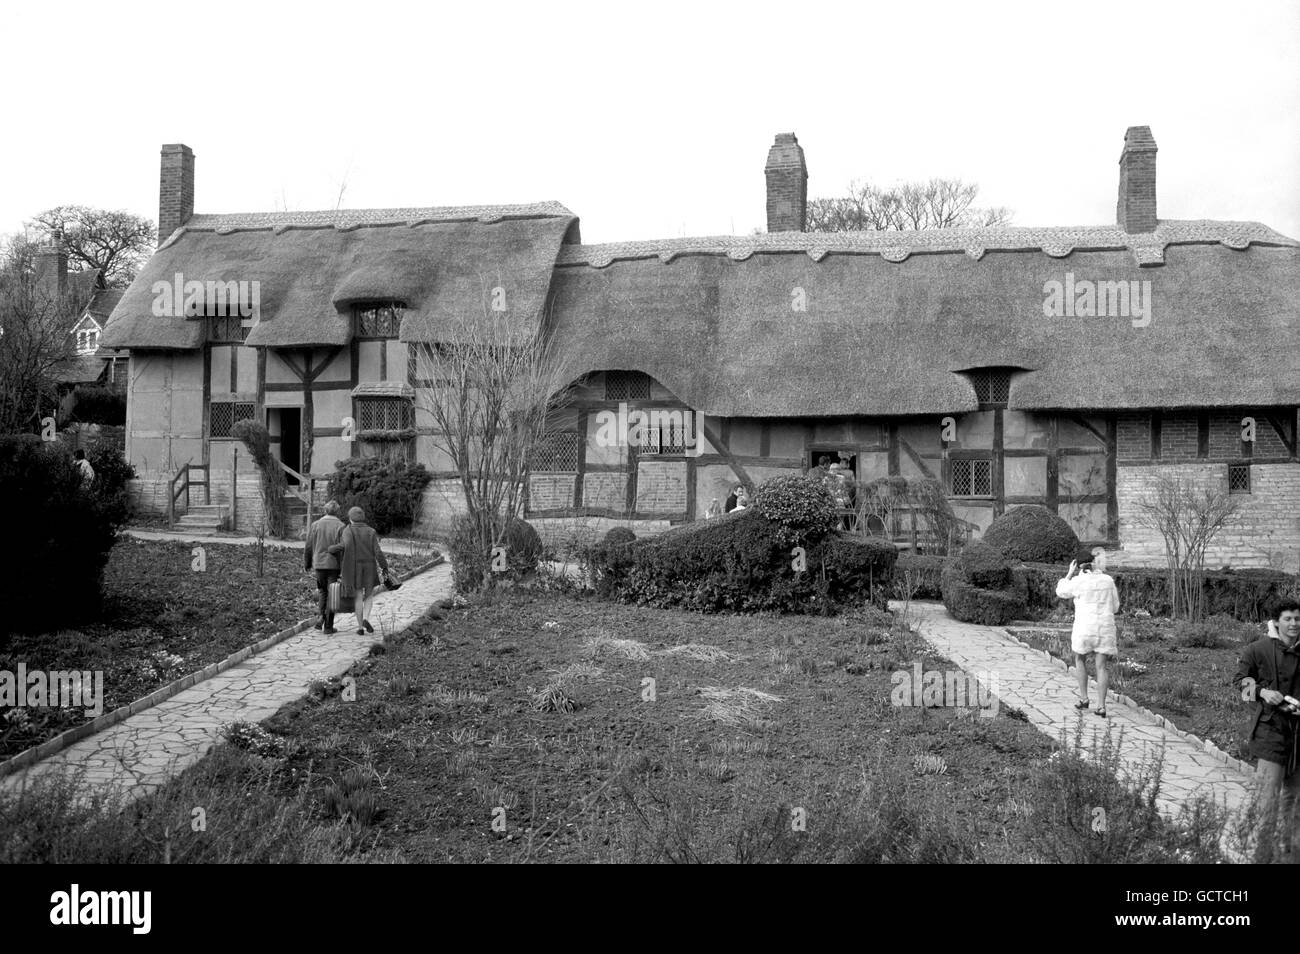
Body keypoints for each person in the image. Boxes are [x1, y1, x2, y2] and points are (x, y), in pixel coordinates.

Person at [1233, 599, 1300, 861]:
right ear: (1276, 622)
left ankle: (1289, 858)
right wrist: (1262, 692)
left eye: (1297, 619)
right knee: (1267, 803)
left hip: (1299, 738)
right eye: (1288, 619)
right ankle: (1261, 857)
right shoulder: (1257, 650)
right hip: (1270, 733)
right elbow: (1240, 684)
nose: (1294, 624)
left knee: (1294, 804)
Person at [1055, 545, 1120, 717]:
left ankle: (1084, 698)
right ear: (1094, 563)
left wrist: (1069, 573)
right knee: (1101, 666)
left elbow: (1061, 591)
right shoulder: (1108, 581)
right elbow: (1115, 607)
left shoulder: (1078, 581)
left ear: (1078, 566)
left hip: (1085, 627)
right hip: (1104, 628)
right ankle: (1101, 706)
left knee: (1080, 659)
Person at [329, 506, 390, 636]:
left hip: (354, 568)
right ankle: (366, 618)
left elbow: (344, 546)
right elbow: (377, 552)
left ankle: (360, 627)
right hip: (369, 566)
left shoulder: (347, 530)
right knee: (369, 595)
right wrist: (384, 566)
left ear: (350, 518)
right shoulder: (371, 531)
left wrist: (332, 549)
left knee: (358, 596)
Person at [304, 500, 346, 634]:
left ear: (325, 510)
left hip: (319, 564)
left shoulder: (315, 525)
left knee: (322, 592)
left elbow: (309, 546)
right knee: (333, 594)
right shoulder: (341, 526)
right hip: (334, 564)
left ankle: (321, 615)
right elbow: (344, 548)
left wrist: (307, 563)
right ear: (337, 511)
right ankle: (328, 626)